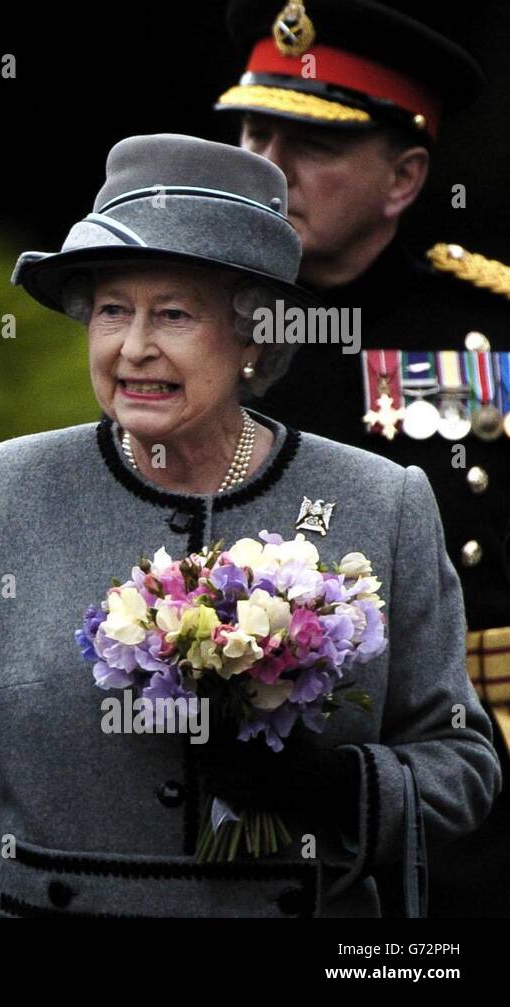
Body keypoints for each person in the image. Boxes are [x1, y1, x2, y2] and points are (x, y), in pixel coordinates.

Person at [0, 132, 501, 917]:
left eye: (172, 313)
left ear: (253, 336)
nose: (134, 348)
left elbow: (462, 762)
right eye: (111, 310)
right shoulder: (5, 489)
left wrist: (339, 788)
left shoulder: (380, 500)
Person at [215, 0, 510, 916]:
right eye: (254, 133)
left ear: (404, 176)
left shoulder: (490, 328)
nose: (268, 167)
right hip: (246, 770)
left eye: (311, 144)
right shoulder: (195, 325)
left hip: (467, 770)